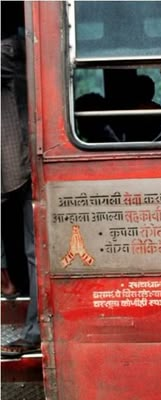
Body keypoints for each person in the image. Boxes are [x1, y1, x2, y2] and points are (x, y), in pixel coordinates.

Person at [1, 24, 40, 357]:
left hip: (26, 166)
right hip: (15, 167)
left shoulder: (12, 48)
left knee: (34, 252)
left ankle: (35, 330)